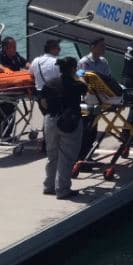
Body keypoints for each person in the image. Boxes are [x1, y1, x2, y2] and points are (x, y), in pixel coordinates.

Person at [39, 55, 87, 199]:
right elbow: (85, 88)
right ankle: (63, 189)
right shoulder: (77, 84)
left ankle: (49, 186)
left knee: (52, 155)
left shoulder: (50, 83)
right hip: (69, 121)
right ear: (73, 68)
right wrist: (81, 75)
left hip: (50, 120)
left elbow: (42, 102)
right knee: (66, 156)